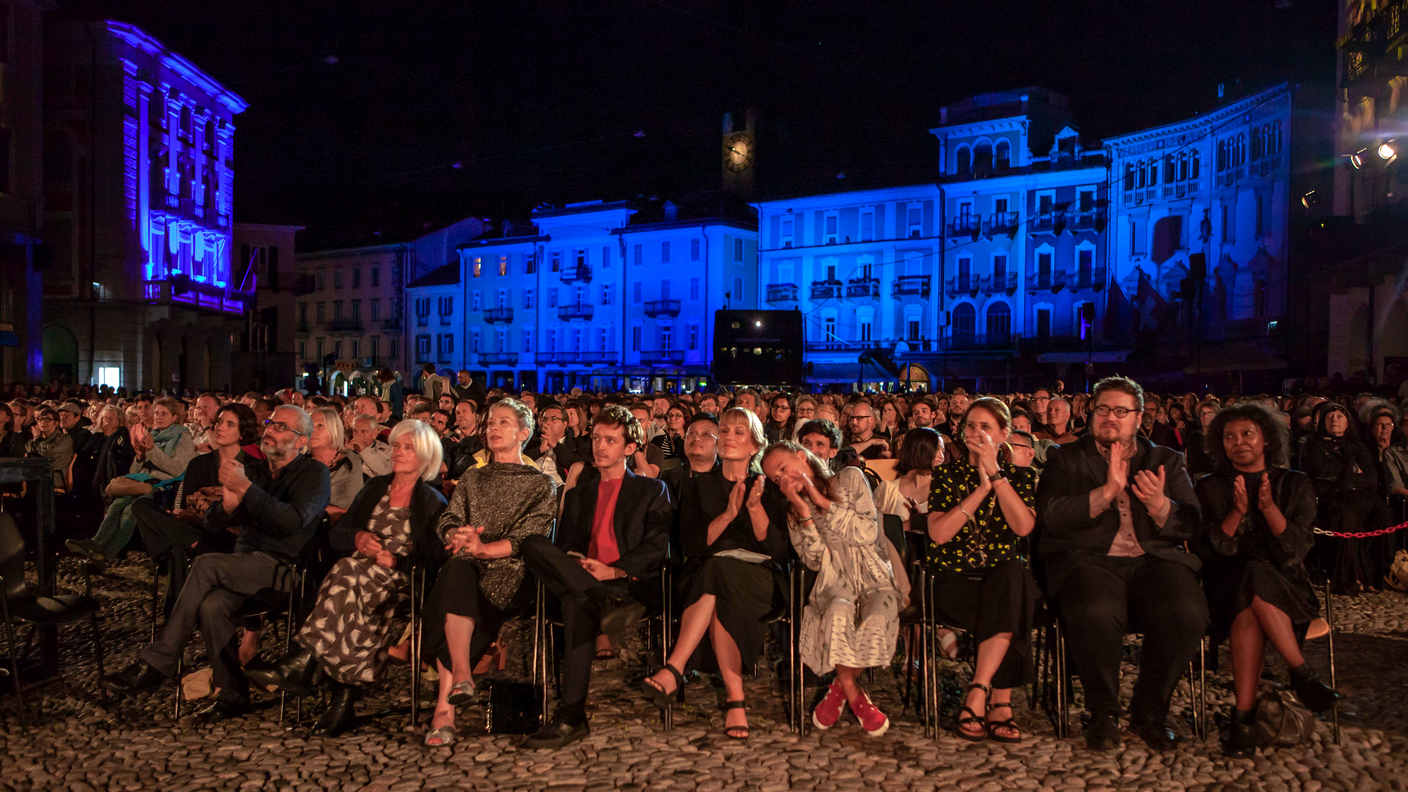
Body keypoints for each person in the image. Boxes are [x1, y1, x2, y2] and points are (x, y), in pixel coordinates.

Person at [101, 405, 332, 722]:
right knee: (212, 608)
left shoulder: (313, 474)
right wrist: (228, 504)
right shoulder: (256, 472)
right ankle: (233, 693)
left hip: (284, 569)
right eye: (270, 423)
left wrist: (248, 490)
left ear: (302, 441)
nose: (270, 430)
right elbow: (211, 523)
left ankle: (158, 663)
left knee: (206, 565)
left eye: (281, 427)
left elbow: (293, 522)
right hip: (243, 564)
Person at [1035, 376, 1208, 751]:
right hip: (1089, 560)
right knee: (1095, 609)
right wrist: (1106, 492)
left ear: (1139, 417)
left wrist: (1161, 506)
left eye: (1120, 411)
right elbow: (1051, 515)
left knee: (1186, 612)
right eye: (1102, 409)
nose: (1110, 417)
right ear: (1090, 413)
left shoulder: (1165, 459)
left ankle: (1150, 712)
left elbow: (1193, 522)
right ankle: (1104, 713)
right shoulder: (1065, 458)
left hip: (1154, 561)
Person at [245, 420, 449, 736]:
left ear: (425, 457)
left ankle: (303, 661)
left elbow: (436, 559)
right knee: (353, 581)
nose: (398, 452)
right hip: (357, 576)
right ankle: (341, 701)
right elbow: (338, 535)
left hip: (403, 578)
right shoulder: (374, 488)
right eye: (396, 445)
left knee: (347, 574)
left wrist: (396, 559)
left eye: (407, 447)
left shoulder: (432, 501)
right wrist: (357, 540)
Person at [1191, 402, 1339, 758]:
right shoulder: (1210, 487)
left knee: (1251, 584)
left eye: (1246, 434)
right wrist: (1238, 512)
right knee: (1245, 576)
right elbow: (1209, 550)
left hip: (1286, 585)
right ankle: (1301, 675)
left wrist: (1270, 509)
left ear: (1266, 439)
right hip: (1224, 583)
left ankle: (1241, 720)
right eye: (1228, 436)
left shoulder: (1295, 483)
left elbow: (1293, 551)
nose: (1237, 442)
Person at [520, 405, 672, 749]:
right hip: (586, 578)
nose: (600, 447)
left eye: (611, 440)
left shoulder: (652, 491)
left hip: (627, 584)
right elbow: (567, 546)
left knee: (577, 601)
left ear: (630, 448)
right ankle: (600, 598)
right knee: (532, 544)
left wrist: (614, 570)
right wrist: (580, 562)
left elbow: (656, 546)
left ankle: (572, 716)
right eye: (597, 438)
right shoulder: (578, 495)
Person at [641, 408, 787, 740]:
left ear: (754, 445)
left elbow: (777, 550)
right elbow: (693, 544)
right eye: (725, 430)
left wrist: (752, 509)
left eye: (740, 432)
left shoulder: (768, 487)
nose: (730, 437)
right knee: (718, 573)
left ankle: (674, 667)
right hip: (708, 570)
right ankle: (736, 700)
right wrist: (729, 514)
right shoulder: (699, 485)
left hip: (758, 576)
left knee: (718, 573)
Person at [419, 398, 557, 747]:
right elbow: (451, 518)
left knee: (457, 578)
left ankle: (448, 701)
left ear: (524, 433)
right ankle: (455, 689)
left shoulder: (540, 484)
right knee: (458, 571)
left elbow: (531, 536)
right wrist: (456, 535)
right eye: (491, 422)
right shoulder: (473, 477)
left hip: (512, 572)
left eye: (504, 423)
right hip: (467, 566)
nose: (493, 428)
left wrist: (483, 548)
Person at [762, 440, 899, 737]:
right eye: (776, 479)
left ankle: (838, 690)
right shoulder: (793, 512)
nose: (784, 480)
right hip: (833, 581)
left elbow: (865, 532)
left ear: (802, 456)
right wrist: (804, 511)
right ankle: (856, 697)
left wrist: (818, 498)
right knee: (837, 612)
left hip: (873, 574)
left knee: (875, 618)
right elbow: (813, 560)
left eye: (784, 469)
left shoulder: (850, 477)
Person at [926, 398, 1039, 743]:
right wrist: (980, 490)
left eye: (985, 427)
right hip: (955, 582)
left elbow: (1023, 527)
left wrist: (997, 478)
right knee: (1014, 600)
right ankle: (1001, 703)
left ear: (1004, 434)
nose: (975, 432)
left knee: (1012, 577)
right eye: (971, 425)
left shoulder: (1021, 476)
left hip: (1003, 582)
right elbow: (939, 534)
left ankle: (978, 691)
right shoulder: (946, 474)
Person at [130, 404, 259, 612]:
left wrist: (205, 510)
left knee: (178, 550)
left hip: (227, 539)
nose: (220, 428)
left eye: (229, 424)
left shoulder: (253, 468)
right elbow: (189, 503)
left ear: (243, 432)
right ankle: (192, 546)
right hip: (194, 531)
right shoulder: (199, 464)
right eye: (218, 422)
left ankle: (173, 613)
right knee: (141, 505)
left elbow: (242, 516)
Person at [70, 397, 195, 565]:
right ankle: (96, 543)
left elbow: (177, 469)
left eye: (164, 414)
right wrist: (140, 457)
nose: (159, 417)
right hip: (142, 483)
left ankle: (105, 555)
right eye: (157, 413)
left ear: (174, 417)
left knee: (130, 512)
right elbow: (135, 472)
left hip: (164, 487)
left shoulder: (183, 438)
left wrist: (153, 450)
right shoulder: (152, 435)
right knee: (116, 505)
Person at [1300, 402, 1391, 595]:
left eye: (1340, 417)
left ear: (1348, 422)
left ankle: (1376, 575)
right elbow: (1321, 473)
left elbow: (1371, 478)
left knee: (1382, 513)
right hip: (1331, 498)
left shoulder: (1358, 447)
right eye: (1330, 417)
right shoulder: (1314, 446)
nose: (1335, 420)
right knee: (1347, 517)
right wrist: (1352, 473)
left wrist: (1347, 477)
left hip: (1361, 496)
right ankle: (1350, 577)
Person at [308, 406, 364, 522]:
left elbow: (352, 509)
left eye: (320, 425)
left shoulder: (352, 462)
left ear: (334, 429)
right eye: (310, 425)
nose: (313, 430)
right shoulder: (301, 464)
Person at [660, 411, 721, 503]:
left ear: (719, 443)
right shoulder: (671, 477)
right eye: (691, 433)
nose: (696, 438)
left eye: (705, 434)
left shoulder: (727, 477)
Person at [27, 406, 74, 491]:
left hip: (54, 479)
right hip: (38, 477)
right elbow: (27, 453)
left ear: (56, 423)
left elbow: (47, 453)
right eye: (40, 419)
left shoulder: (64, 439)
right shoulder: (36, 441)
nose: (42, 422)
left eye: (47, 419)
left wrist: (37, 438)